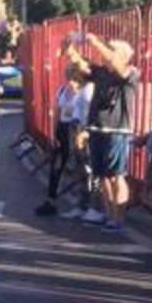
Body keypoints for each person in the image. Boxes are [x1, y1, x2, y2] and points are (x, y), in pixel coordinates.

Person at [63, 34, 140, 232]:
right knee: (103, 175)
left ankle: (119, 218)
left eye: (112, 51)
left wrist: (95, 42)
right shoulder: (101, 73)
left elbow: (116, 65)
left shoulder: (130, 72)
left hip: (116, 130)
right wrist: (71, 51)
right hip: (96, 128)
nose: (106, 54)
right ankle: (109, 214)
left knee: (116, 175)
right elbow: (82, 67)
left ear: (122, 55)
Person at [39, 67, 87, 217]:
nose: (71, 83)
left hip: (75, 129)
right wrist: (54, 134)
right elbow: (57, 111)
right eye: (69, 79)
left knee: (78, 168)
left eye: (74, 80)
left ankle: (82, 204)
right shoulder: (61, 90)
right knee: (56, 166)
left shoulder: (83, 94)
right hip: (62, 129)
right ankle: (50, 200)